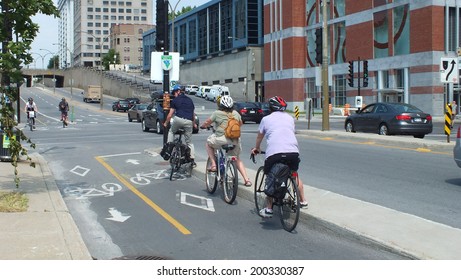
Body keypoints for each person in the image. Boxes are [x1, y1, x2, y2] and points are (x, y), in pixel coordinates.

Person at [251, 96, 308, 218]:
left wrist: (257, 148)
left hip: (275, 153)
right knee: (293, 173)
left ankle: (269, 208)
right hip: (293, 152)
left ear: (270, 107)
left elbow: (259, 137)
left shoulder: (266, 119)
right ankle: (303, 200)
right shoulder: (290, 118)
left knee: (271, 177)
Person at [200, 95, 252, 186]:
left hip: (221, 139)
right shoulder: (236, 113)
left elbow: (207, 122)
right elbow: (240, 124)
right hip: (235, 140)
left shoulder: (216, 113)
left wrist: (203, 126)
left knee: (208, 143)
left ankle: (213, 164)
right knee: (236, 159)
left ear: (221, 105)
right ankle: (246, 180)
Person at [163, 85, 197, 167]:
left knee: (171, 132)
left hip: (178, 119)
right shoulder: (190, 100)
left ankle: (169, 149)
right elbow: (193, 114)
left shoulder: (175, 100)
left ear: (178, 92)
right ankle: (192, 159)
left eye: (174, 93)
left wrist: (166, 123)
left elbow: (170, 115)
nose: (174, 94)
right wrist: (194, 124)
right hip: (189, 121)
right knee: (189, 142)